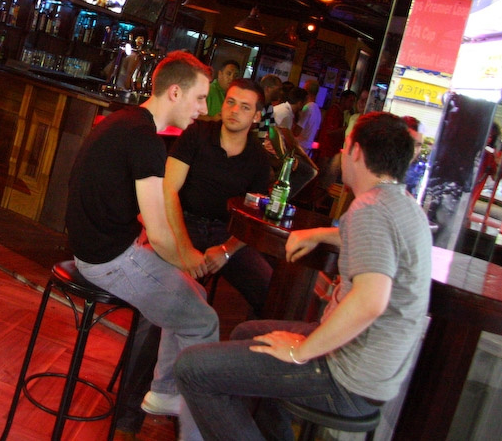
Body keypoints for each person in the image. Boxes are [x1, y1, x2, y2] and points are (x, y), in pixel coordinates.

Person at [175, 112, 432, 441]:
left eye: (345, 146)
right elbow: (374, 244)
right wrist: (320, 233)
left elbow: (371, 301)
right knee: (247, 332)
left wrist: (301, 351)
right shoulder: (403, 205)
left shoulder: (370, 210)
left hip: (345, 378)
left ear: (355, 151)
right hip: (376, 376)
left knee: (192, 369)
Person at [66, 51, 218, 440]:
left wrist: (182, 262)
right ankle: (189, 426)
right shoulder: (144, 138)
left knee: (195, 295)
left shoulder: (127, 121)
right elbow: (160, 233)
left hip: (96, 250)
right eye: (200, 98)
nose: (204, 109)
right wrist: (189, 259)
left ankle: (163, 392)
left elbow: (146, 218)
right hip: (107, 260)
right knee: (205, 321)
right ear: (174, 92)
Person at [116, 79, 276, 437]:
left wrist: (227, 249)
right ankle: (128, 415)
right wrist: (185, 248)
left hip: (225, 235)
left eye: (245, 107)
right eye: (231, 102)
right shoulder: (198, 134)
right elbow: (169, 190)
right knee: (158, 309)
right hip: (181, 223)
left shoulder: (258, 158)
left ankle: (235, 393)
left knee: (270, 292)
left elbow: (254, 217)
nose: (234, 111)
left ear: (256, 116)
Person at [295, 79, 322, 154]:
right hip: (308, 149)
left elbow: (297, 132)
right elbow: (316, 133)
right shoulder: (318, 111)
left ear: (306, 91)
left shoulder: (307, 108)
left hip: (299, 147)